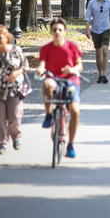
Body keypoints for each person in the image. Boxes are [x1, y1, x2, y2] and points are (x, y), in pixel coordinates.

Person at [37, 18, 83, 159]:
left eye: (60, 30)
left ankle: (70, 144)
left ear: (65, 32)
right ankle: (49, 114)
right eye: (55, 30)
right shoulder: (46, 48)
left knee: (74, 111)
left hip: (71, 81)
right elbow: (42, 64)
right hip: (54, 79)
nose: (57, 32)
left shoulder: (72, 47)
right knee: (47, 84)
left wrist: (72, 69)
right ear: (51, 32)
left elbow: (79, 66)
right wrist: (40, 70)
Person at [0, 25, 29, 154]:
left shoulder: (16, 50)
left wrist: (17, 73)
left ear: (6, 38)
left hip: (14, 91)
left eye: (0, 38)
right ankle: (1, 144)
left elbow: (25, 65)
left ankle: (16, 137)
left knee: (15, 116)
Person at [85, 0, 110, 84]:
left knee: (105, 51)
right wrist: (87, 29)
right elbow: (87, 17)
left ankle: (105, 74)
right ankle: (100, 74)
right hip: (95, 30)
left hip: (106, 29)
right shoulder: (91, 3)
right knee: (98, 53)